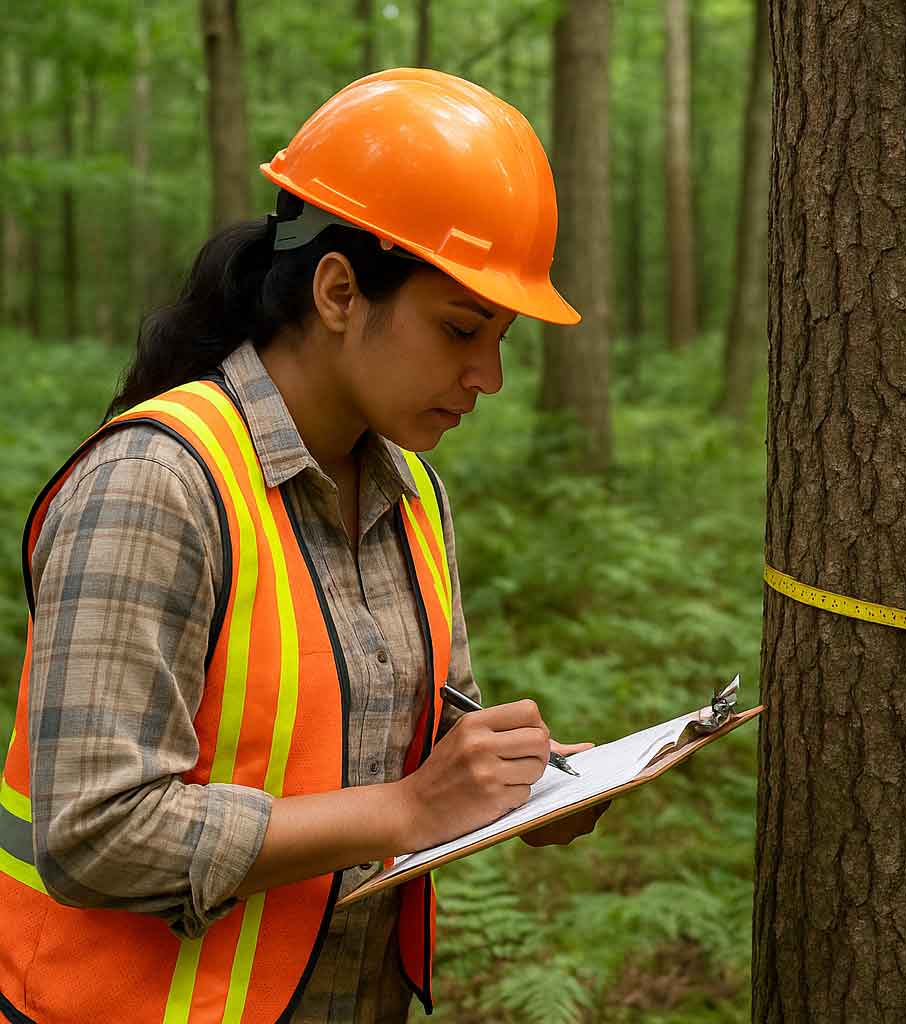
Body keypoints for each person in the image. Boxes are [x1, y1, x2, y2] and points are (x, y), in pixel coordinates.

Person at [0, 68, 605, 1023]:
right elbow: (91, 831)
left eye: (502, 339)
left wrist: (513, 783)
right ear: (337, 290)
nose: (488, 375)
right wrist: (405, 810)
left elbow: (415, 734)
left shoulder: (413, 494)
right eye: (461, 329)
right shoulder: (156, 486)